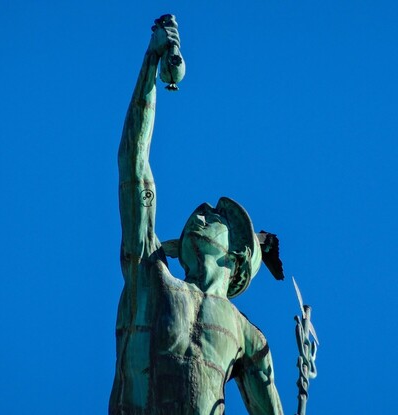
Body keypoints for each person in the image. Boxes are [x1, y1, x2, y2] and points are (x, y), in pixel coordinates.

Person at [110, 15, 284, 415]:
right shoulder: (149, 275)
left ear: (237, 254)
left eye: (214, 217)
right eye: (203, 212)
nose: (200, 212)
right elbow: (133, 165)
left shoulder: (249, 338)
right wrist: (151, 64)